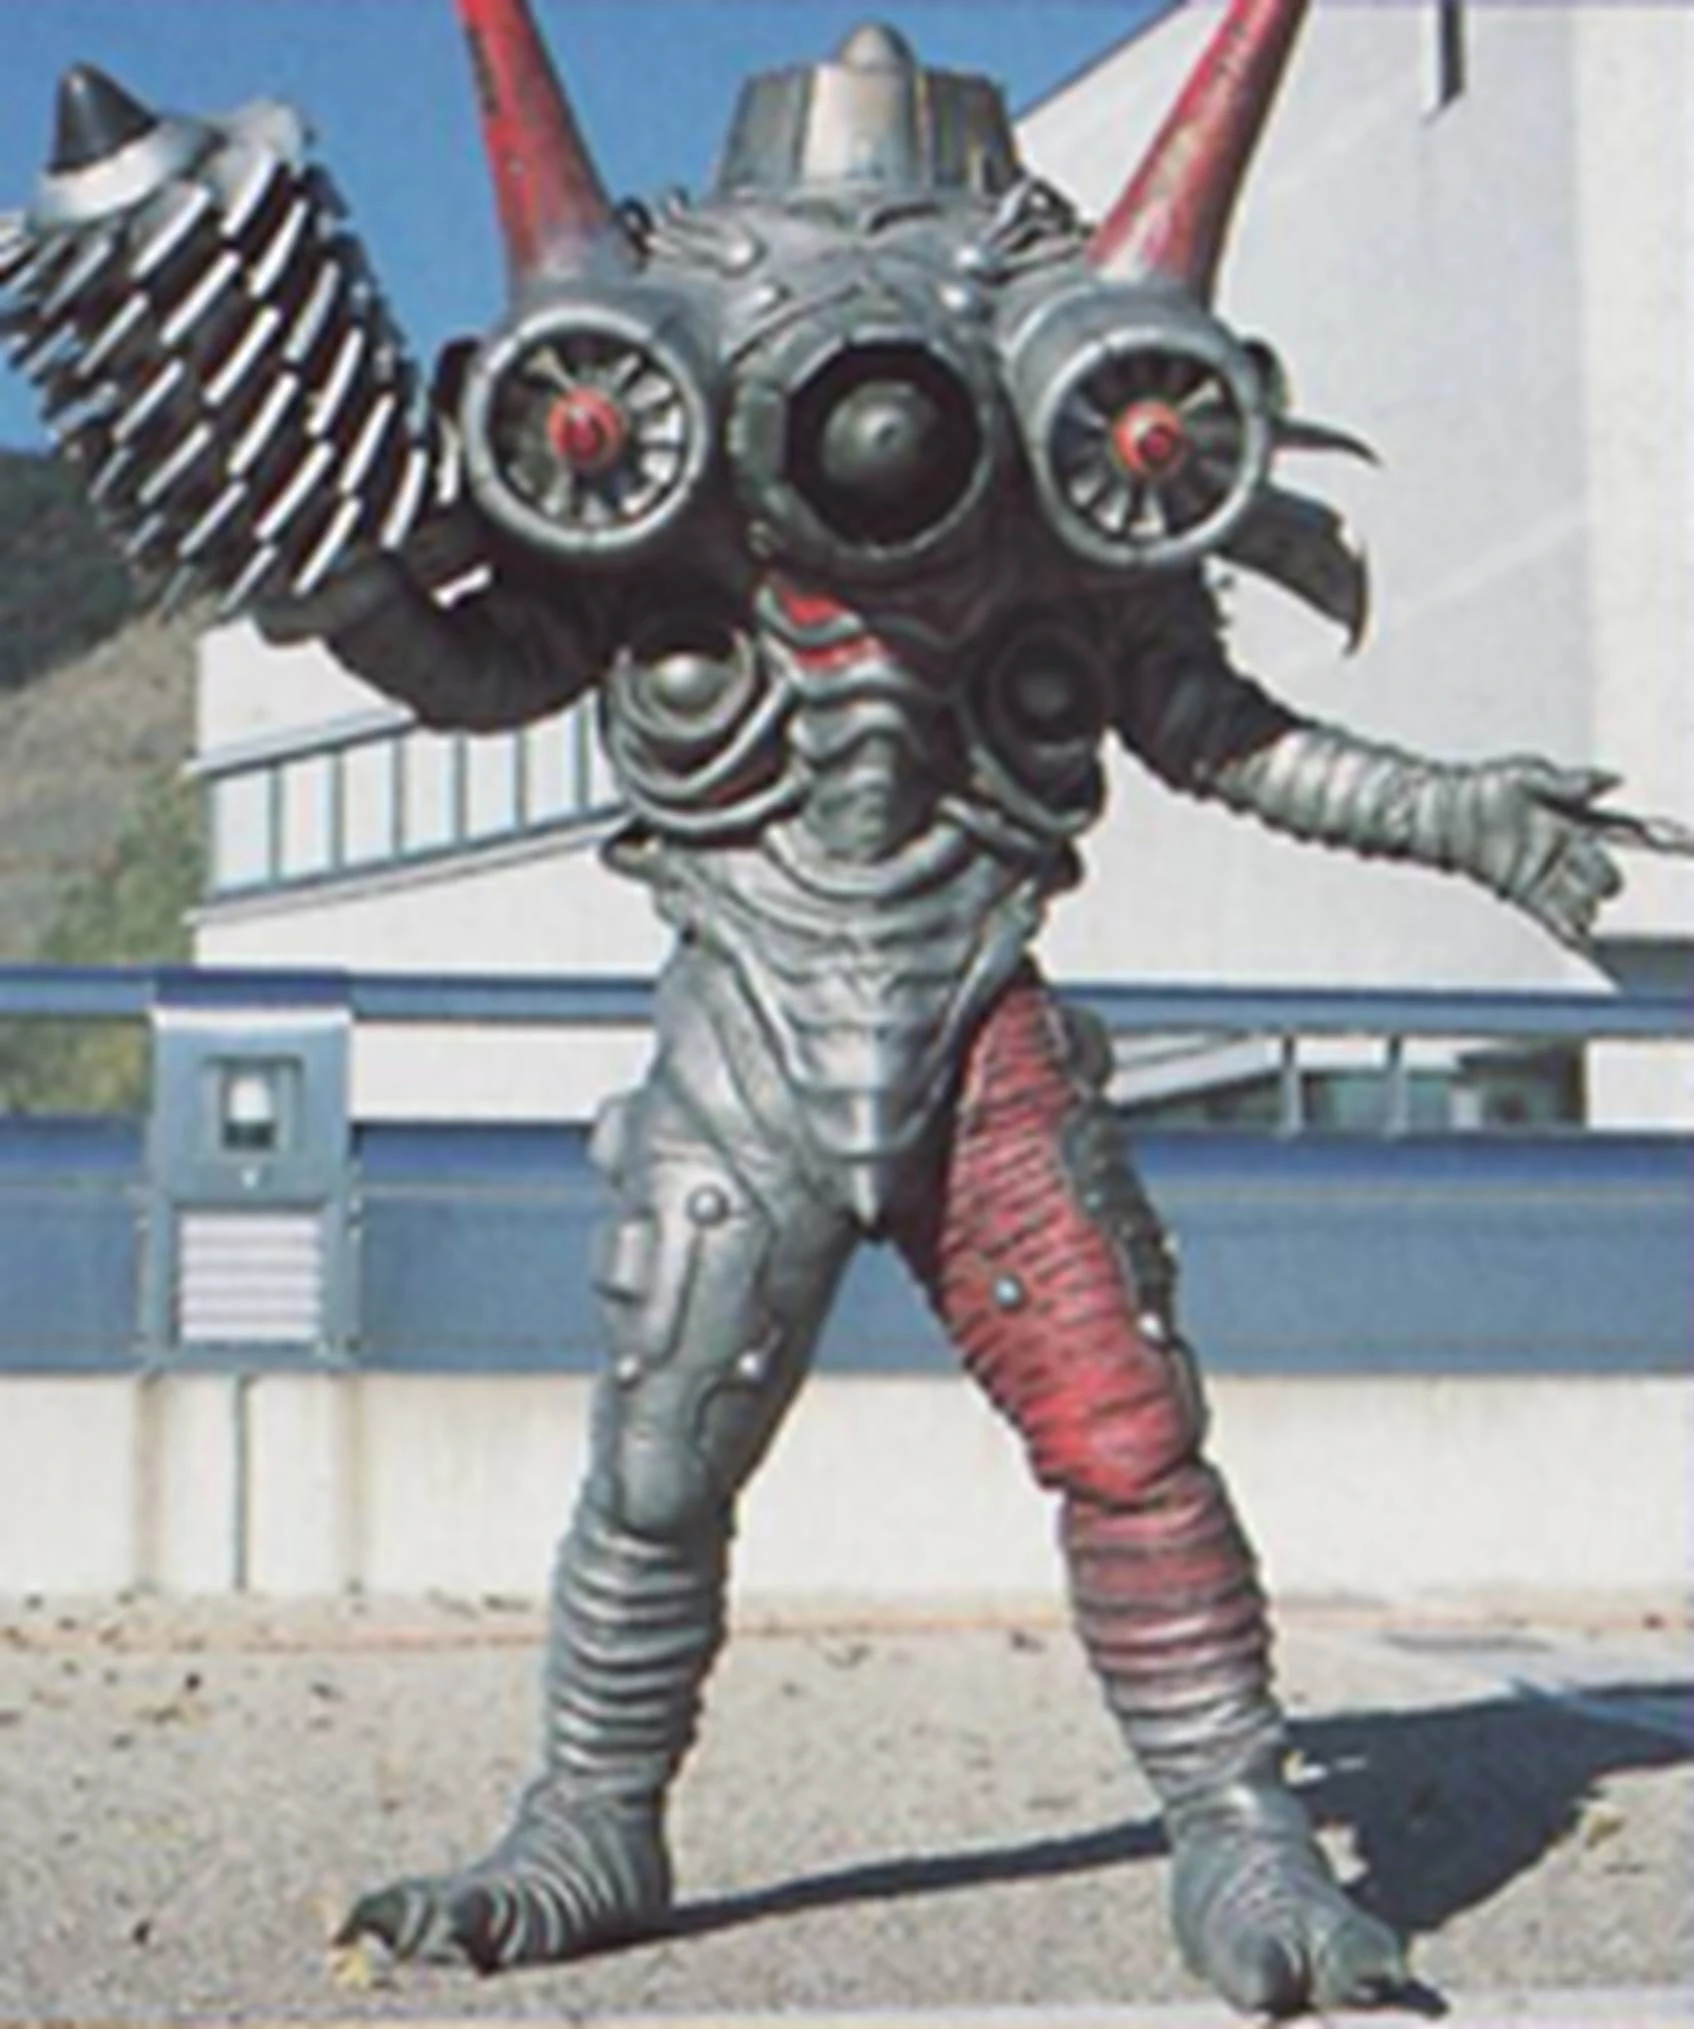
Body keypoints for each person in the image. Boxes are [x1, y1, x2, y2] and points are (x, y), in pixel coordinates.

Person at [4, 1, 1685, 2012]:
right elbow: (482, 669)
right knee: (660, 1466)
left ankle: (1239, 1830)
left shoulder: (1060, 507)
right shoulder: (656, 508)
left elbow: (1205, 722)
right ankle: (591, 1818)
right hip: (746, 1019)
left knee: (1128, 1438)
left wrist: (1458, 815)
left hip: (975, 1022)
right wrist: (336, 566)